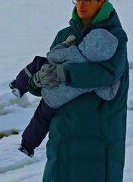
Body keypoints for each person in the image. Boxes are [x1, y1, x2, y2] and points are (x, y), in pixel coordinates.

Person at [13, 0, 128, 182]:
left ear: (102, 1)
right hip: (65, 127)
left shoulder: (114, 39)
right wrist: (37, 81)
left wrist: (67, 74)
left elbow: (107, 75)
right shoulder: (64, 34)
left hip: (100, 127)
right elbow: (50, 72)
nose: (81, 4)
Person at [13, 29, 122, 158]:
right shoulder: (96, 72)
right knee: (41, 119)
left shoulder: (74, 52)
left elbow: (53, 55)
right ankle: (27, 146)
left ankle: (18, 86)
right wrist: (114, 81)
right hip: (57, 100)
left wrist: (66, 43)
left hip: (49, 81)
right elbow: (108, 94)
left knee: (37, 62)